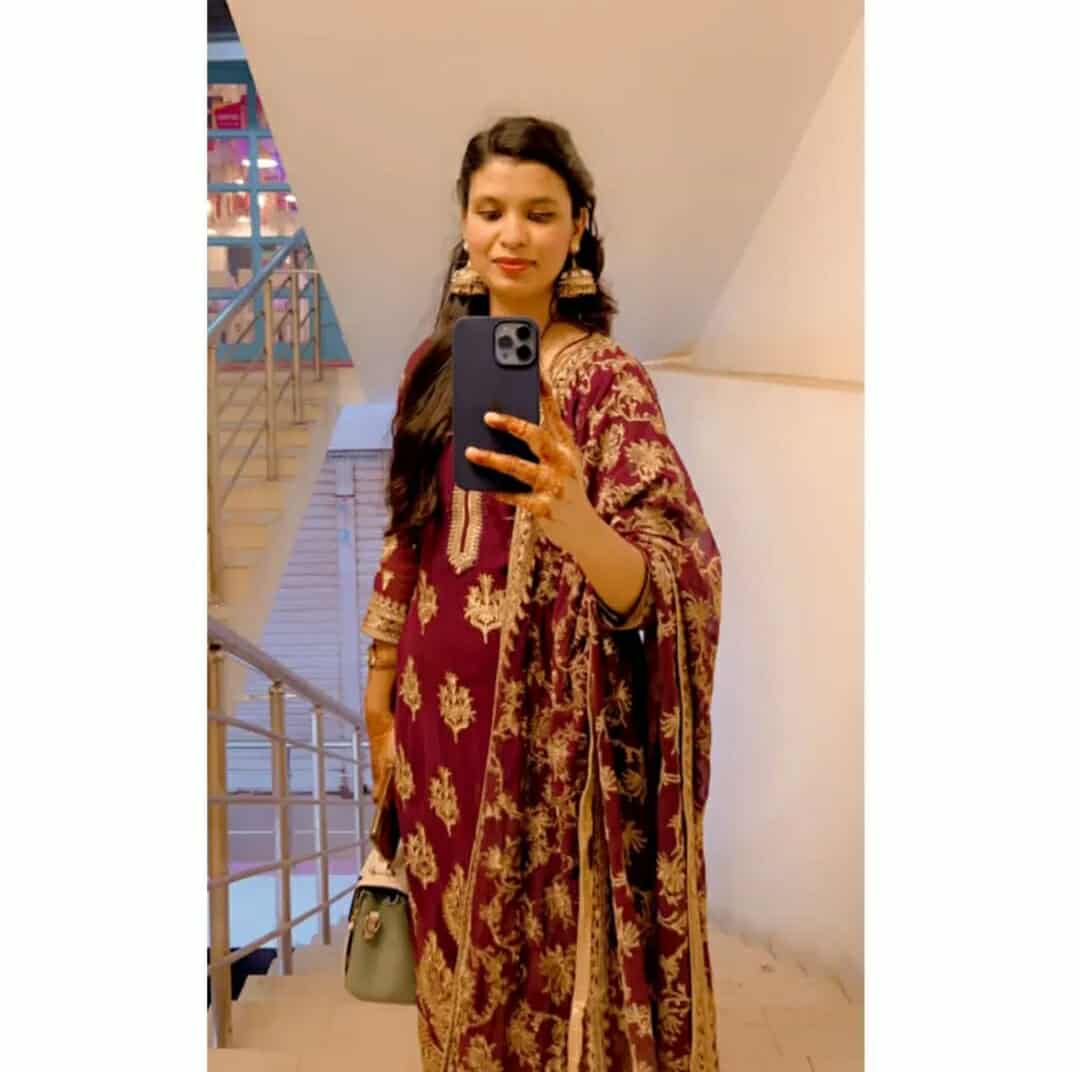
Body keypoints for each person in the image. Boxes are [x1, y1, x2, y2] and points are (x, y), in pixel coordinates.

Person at [361, 116, 723, 1072]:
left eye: (539, 212)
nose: (511, 235)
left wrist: (575, 519)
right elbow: (408, 532)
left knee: (540, 987)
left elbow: (674, 579)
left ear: (577, 228)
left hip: (550, 749)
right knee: (451, 966)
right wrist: (380, 690)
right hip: (434, 737)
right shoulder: (432, 369)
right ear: (464, 223)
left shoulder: (609, 382)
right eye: (490, 211)